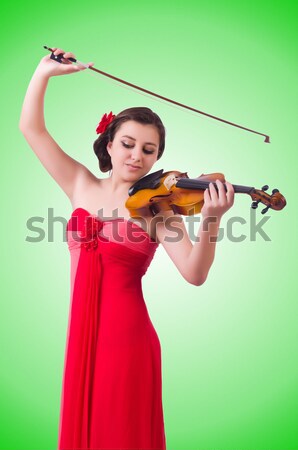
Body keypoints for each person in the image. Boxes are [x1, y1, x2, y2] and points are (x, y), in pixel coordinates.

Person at [19, 47, 234, 450]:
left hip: (128, 339)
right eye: (128, 144)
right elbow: (32, 130)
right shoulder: (79, 184)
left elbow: (194, 273)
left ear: (157, 157)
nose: (136, 156)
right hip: (83, 334)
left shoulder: (157, 209)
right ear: (110, 144)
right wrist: (42, 74)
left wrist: (212, 218)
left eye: (148, 150)